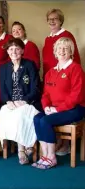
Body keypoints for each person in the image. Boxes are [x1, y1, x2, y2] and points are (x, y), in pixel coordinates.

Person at [32, 37, 85, 169]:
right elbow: (45, 95)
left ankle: (52, 157)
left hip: (75, 108)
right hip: (54, 109)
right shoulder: (50, 72)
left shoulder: (76, 69)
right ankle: (45, 155)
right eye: (59, 48)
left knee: (45, 121)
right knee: (37, 118)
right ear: (55, 52)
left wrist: (57, 109)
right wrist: (47, 107)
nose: (62, 51)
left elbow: (76, 96)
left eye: (65, 48)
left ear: (71, 51)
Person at [0, 38, 41, 165]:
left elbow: (36, 87)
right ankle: (25, 146)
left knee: (20, 114)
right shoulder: (4, 68)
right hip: (11, 102)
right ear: (7, 51)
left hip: (28, 101)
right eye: (11, 49)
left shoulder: (29, 65)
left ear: (22, 50)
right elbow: (3, 90)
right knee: (5, 112)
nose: (14, 51)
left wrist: (25, 100)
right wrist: (8, 101)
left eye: (17, 49)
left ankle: (21, 149)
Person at [42, 9, 81, 78]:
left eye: (55, 18)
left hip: (64, 76)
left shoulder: (67, 35)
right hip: (50, 76)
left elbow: (75, 57)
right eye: (49, 19)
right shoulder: (47, 39)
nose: (52, 21)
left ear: (60, 21)